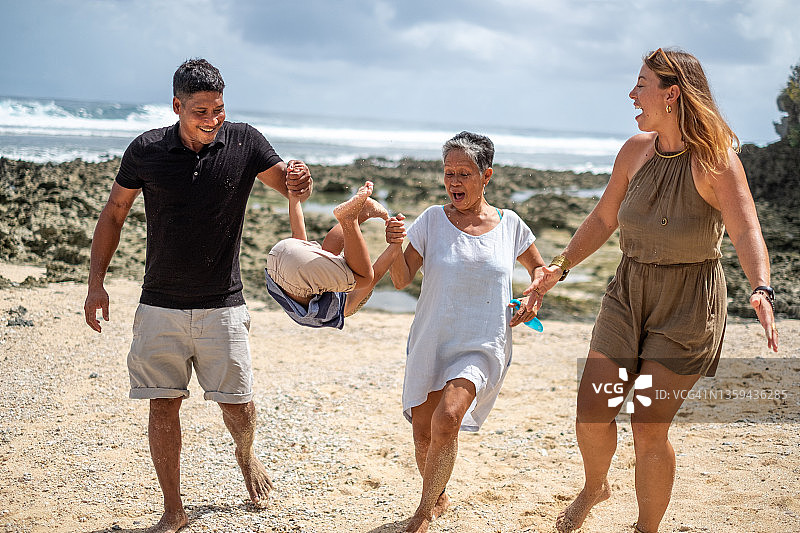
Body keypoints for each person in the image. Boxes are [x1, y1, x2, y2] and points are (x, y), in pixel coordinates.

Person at [524, 48, 779, 533]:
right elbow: (603, 218)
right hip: (628, 290)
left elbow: (747, 231)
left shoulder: (716, 162)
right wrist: (558, 267)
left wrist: (761, 288)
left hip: (686, 305)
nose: (632, 93)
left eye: (641, 84)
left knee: (647, 421)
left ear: (672, 93)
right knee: (593, 408)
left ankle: (646, 529)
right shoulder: (634, 151)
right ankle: (595, 486)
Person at [83, 58, 313, 533]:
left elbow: (285, 185)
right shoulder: (145, 150)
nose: (212, 120)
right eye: (201, 111)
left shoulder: (244, 141)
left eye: (219, 110)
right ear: (177, 106)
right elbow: (114, 213)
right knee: (163, 403)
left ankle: (245, 456)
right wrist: (96, 284)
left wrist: (299, 183)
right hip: (159, 304)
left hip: (224, 303)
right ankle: (173, 508)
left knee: (239, 404)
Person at [388, 131, 547, 533]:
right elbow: (402, 279)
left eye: (464, 173)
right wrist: (392, 245)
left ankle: (423, 512)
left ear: (486, 175)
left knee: (450, 418)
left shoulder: (510, 225)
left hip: (482, 342)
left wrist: (531, 300)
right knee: (423, 431)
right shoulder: (431, 221)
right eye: (448, 173)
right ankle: (438, 493)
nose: (454, 182)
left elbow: (540, 273)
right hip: (433, 337)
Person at [265, 180, 406, 327]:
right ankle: (352, 217)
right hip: (277, 258)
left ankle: (355, 216)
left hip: (288, 257)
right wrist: (294, 199)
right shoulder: (320, 292)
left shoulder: (345, 306)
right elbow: (297, 251)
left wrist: (396, 242)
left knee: (366, 278)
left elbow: (376, 274)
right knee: (328, 256)